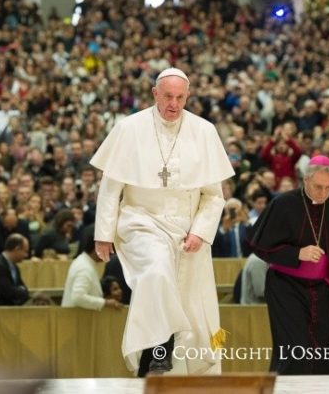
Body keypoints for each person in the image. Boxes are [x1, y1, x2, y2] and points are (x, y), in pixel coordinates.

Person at [91, 68, 234, 376]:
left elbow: (214, 196)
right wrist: (103, 234)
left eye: (180, 98)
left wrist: (200, 232)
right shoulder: (129, 128)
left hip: (186, 229)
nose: (174, 104)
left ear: (188, 96)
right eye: (168, 96)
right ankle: (160, 353)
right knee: (157, 272)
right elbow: (111, 188)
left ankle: (154, 364)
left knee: (187, 303)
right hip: (141, 221)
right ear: (155, 94)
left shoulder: (204, 131)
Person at [248, 155, 329, 375]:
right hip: (286, 287)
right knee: (295, 350)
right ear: (305, 180)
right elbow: (259, 246)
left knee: (323, 352)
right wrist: (297, 253)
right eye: (318, 187)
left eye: (328, 187)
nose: (323, 193)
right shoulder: (283, 204)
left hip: (323, 290)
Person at [61, 233, 123, 311]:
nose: (110, 252)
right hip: (76, 317)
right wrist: (105, 303)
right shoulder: (84, 267)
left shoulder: (84, 262)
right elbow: (78, 297)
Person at [0, 233, 30, 306]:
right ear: (17, 249)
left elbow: (24, 290)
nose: (26, 255)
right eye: (25, 251)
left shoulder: (15, 267)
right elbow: (9, 292)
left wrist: (21, 291)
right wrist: (21, 291)